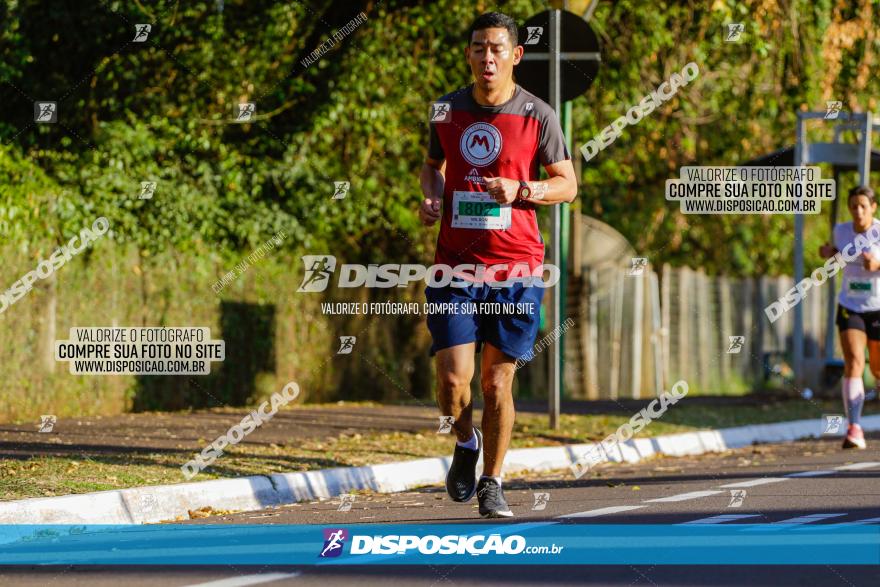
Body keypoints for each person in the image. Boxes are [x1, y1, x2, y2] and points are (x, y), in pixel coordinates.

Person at [418, 12, 577, 517]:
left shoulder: (538, 115)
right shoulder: (445, 110)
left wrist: (522, 189)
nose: (487, 58)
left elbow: (568, 184)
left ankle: (493, 480)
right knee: (452, 380)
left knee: (496, 383)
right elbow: (432, 166)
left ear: (515, 55)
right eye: (478, 48)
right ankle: (466, 445)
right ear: (468, 54)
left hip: (516, 267)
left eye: (496, 49)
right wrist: (433, 198)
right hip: (456, 266)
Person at [819, 185, 880, 449]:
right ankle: (854, 427)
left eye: (863, 206)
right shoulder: (841, 231)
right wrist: (828, 254)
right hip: (850, 306)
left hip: (878, 307)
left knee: (877, 369)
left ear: (873, 207)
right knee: (854, 361)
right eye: (853, 206)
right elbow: (835, 256)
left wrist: (877, 264)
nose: (858, 211)